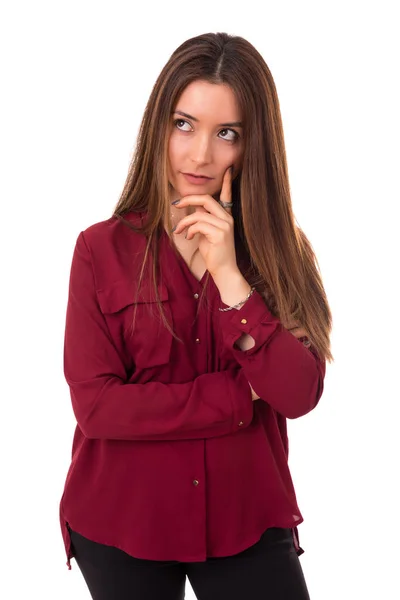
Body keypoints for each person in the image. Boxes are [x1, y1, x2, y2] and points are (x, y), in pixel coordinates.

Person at [59, 31, 333, 600]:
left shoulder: (282, 254)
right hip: (122, 522)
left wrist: (232, 279)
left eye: (226, 133)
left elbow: (299, 393)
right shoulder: (98, 250)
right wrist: (238, 398)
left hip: (246, 520)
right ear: (159, 125)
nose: (200, 154)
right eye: (184, 124)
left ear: (252, 145)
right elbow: (99, 407)